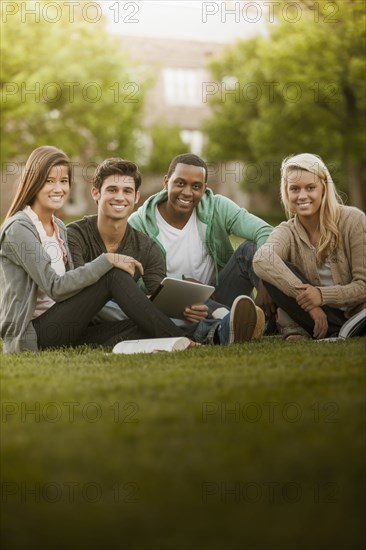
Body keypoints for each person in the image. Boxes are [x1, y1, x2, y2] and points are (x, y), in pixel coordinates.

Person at [66, 156, 261, 344]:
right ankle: (224, 319)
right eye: (112, 190)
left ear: (135, 197)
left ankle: (222, 328)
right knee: (116, 295)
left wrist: (185, 306)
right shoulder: (75, 234)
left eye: (126, 191)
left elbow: (155, 298)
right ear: (96, 193)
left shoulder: (146, 245)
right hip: (87, 315)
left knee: (160, 316)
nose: (119, 197)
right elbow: (74, 287)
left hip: (126, 320)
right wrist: (107, 261)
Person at [128, 153, 275, 326]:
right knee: (184, 291)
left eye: (196, 186)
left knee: (249, 250)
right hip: (177, 308)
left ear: (204, 188)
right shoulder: (139, 224)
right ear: (167, 181)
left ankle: (270, 319)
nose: (187, 192)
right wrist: (186, 288)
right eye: (180, 183)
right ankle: (233, 321)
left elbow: (265, 231)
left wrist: (266, 280)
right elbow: (131, 280)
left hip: (220, 295)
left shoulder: (217, 207)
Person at [252, 153, 366, 340]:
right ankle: (308, 327)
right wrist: (312, 305)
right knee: (278, 270)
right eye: (295, 189)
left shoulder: (353, 220)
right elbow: (262, 258)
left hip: (357, 315)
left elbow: (363, 286)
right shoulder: (287, 231)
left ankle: (298, 328)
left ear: (323, 189)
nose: (302, 196)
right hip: (315, 315)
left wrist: (321, 295)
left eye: (310, 187)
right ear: (286, 192)